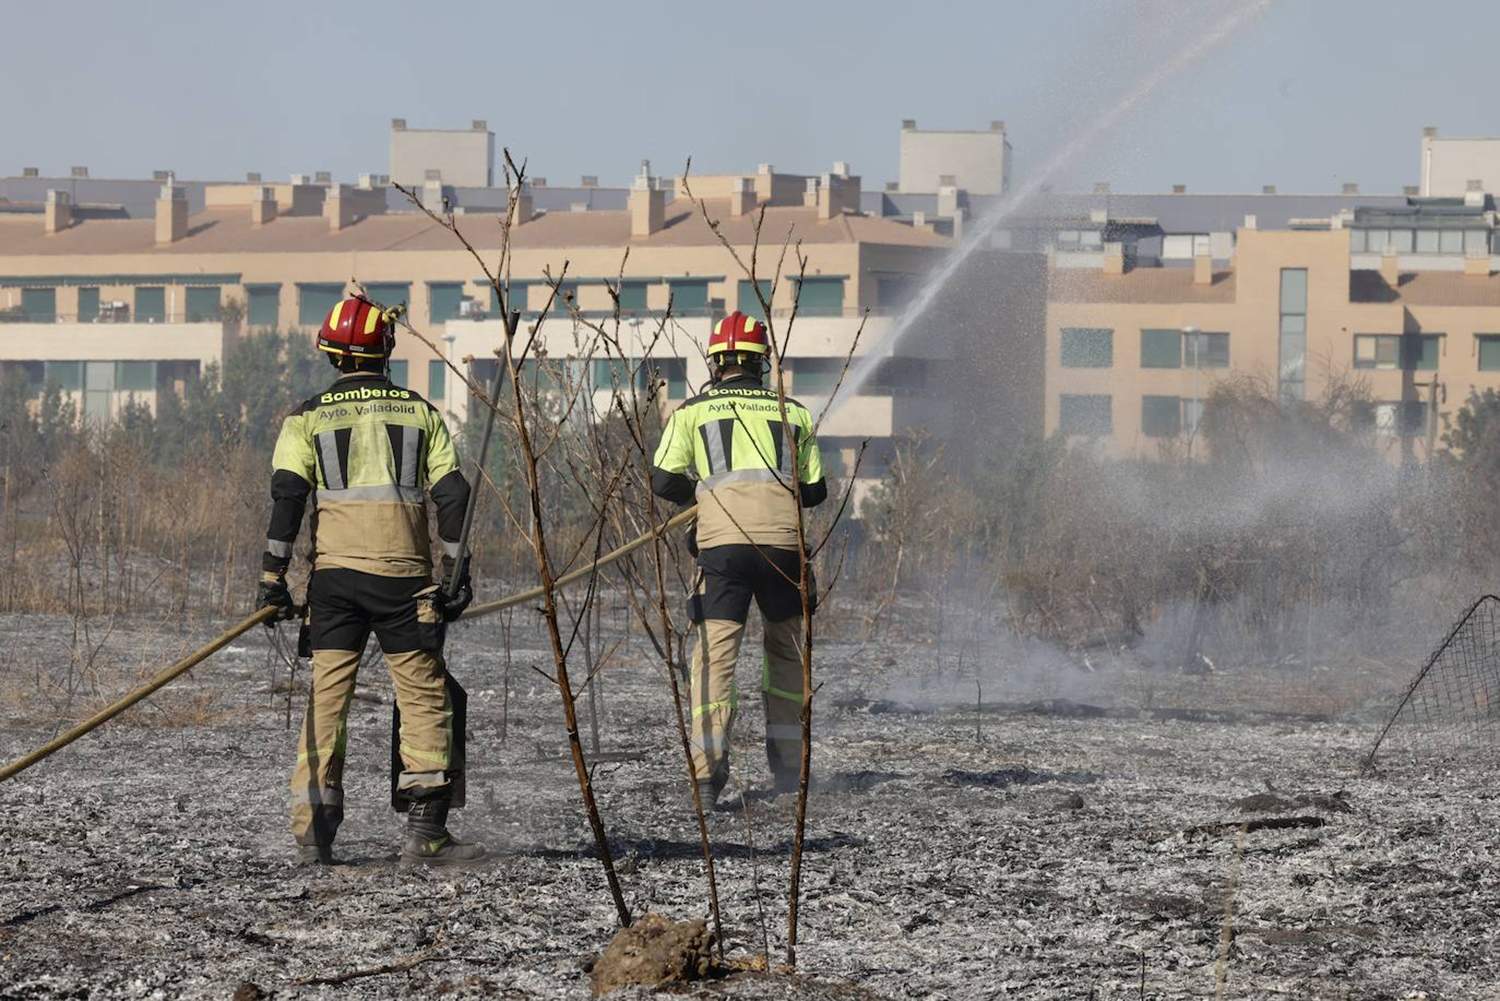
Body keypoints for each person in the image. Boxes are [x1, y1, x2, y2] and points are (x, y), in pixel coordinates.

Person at [257, 294, 483, 865]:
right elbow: (452, 495)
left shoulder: (305, 418)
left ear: (332, 354)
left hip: (334, 584)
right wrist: (455, 573)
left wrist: (272, 575)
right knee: (425, 695)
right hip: (407, 584)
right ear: (386, 350)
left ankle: (314, 833)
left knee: (327, 700)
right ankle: (425, 830)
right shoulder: (421, 413)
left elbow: (288, 496)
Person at [650, 311, 827, 806]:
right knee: (787, 656)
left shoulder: (692, 412)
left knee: (714, 661)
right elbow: (814, 491)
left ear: (716, 362)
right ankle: (790, 772)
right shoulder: (793, 413)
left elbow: (663, 479)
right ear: (761, 363)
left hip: (722, 553)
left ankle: (707, 780)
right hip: (783, 552)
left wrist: (702, 501)